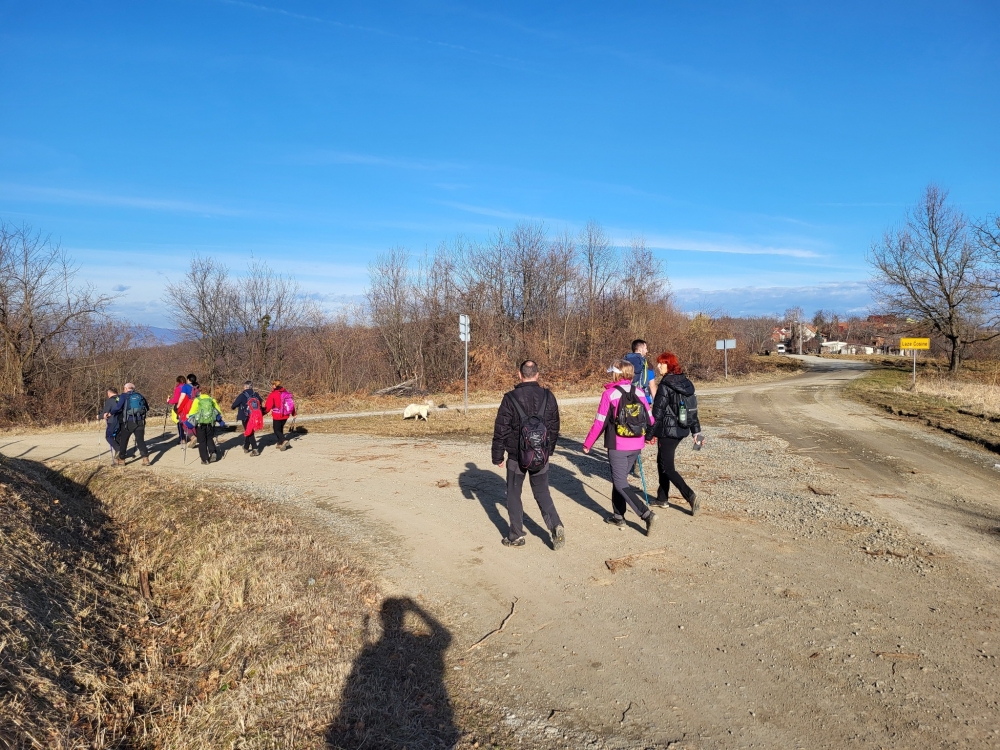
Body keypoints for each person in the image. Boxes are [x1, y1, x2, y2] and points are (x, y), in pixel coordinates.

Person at [491, 360, 565, 550]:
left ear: (519, 374)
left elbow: (501, 429)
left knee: (514, 494)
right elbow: (555, 428)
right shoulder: (549, 396)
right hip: (542, 455)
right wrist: (549, 451)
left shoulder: (510, 398)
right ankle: (555, 525)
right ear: (537, 374)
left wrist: (498, 456)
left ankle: (516, 535)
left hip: (517, 457)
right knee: (542, 492)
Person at [582, 359, 657, 534]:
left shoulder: (609, 394)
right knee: (620, 480)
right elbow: (651, 419)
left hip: (618, 446)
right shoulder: (639, 392)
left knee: (620, 482)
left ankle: (646, 514)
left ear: (617, 374)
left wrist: (588, 444)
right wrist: (647, 435)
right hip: (636, 444)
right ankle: (618, 516)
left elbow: (599, 423)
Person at [647, 352, 703, 515]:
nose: (658, 366)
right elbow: (693, 411)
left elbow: (657, 413)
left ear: (669, 365)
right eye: (658, 363)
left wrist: (648, 435)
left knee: (668, 468)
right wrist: (696, 432)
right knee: (661, 462)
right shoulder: (685, 382)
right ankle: (662, 498)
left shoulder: (665, 385)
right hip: (681, 430)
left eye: (661, 363)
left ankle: (690, 496)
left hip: (668, 431)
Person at [109, 383, 149, 466]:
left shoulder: (124, 396)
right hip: (140, 421)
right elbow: (147, 408)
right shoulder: (140, 395)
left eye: (124, 388)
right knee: (140, 440)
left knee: (124, 440)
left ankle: (121, 460)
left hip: (128, 422)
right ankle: (145, 459)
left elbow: (118, 407)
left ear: (126, 388)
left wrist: (110, 413)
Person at [187, 388, 224, 464]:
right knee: (209, 438)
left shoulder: (197, 400)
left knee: (202, 441)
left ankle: (205, 459)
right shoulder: (212, 400)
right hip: (210, 423)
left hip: (200, 424)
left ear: (200, 392)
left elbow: (192, 413)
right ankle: (212, 452)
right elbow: (218, 411)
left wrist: (189, 417)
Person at [231, 380, 264, 456]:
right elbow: (260, 403)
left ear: (245, 387)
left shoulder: (242, 395)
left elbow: (234, 405)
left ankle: (255, 449)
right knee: (249, 431)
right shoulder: (256, 394)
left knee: (250, 432)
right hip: (255, 416)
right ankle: (246, 447)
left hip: (245, 416)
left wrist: (234, 407)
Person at [263, 379, 296, 451]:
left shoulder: (273, 394)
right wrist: (294, 413)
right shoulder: (286, 392)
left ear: (274, 386)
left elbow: (268, 407)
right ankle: (280, 443)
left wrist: (262, 413)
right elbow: (291, 404)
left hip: (277, 415)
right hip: (286, 414)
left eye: (272, 385)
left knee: (276, 430)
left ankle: (284, 441)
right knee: (280, 429)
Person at [624, 339, 655, 403]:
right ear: (640, 349)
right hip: (643, 399)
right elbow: (652, 386)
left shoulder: (624, 363)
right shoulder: (647, 365)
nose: (647, 351)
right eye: (646, 348)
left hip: (626, 398)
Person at [166, 375, 189, 444]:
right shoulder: (189, 387)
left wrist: (169, 401)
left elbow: (176, 400)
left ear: (178, 381)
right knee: (189, 421)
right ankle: (192, 436)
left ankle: (182, 439)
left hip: (180, 407)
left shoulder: (178, 388)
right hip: (188, 406)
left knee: (180, 422)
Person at [101, 387, 120, 455]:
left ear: (109, 393)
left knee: (109, 436)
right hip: (122, 421)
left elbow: (105, 412)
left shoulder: (110, 400)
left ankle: (118, 450)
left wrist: (99, 416)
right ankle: (120, 456)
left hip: (112, 421)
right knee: (118, 437)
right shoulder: (122, 398)